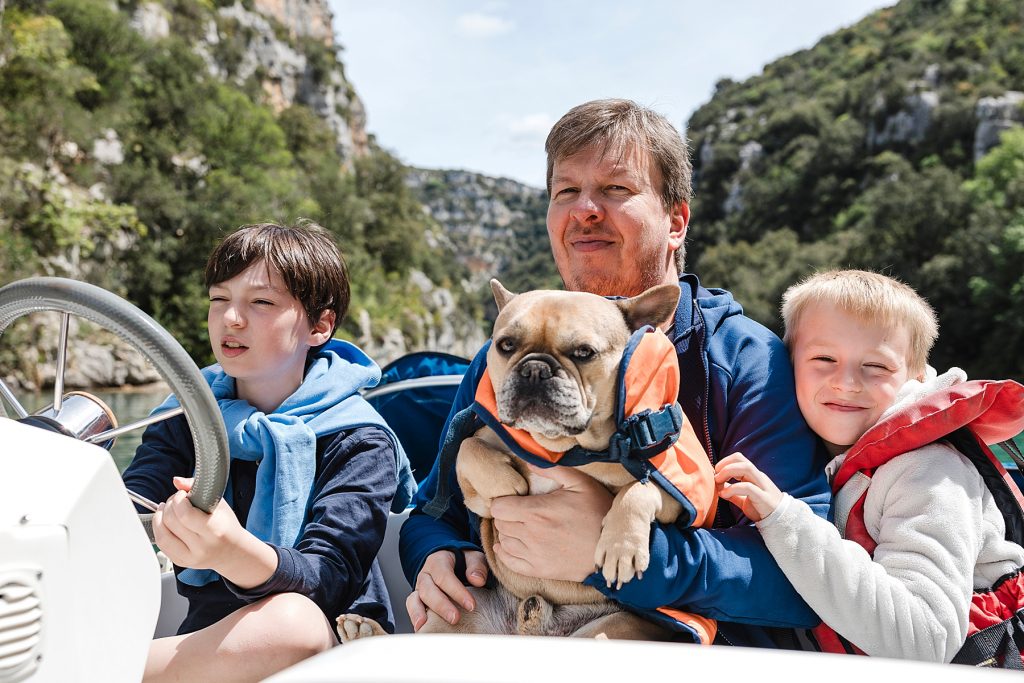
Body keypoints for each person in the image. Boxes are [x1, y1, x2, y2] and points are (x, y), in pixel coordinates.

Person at [398, 98, 832, 646]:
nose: (585, 210)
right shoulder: (508, 354)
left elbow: (805, 579)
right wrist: (436, 558)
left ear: (676, 221)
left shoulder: (747, 363)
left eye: (616, 190)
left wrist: (615, 554)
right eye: (566, 192)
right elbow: (431, 510)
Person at [122, 221, 416, 682]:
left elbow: (329, 578)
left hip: (330, 646)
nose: (230, 319)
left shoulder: (360, 439)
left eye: (260, 303)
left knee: (290, 624)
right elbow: (127, 504)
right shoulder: (187, 416)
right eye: (219, 299)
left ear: (320, 326)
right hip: (206, 645)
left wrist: (230, 550)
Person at [714, 269, 1024, 662]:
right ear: (788, 363)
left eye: (876, 367)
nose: (846, 382)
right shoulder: (817, 456)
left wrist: (783, 519)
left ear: (914, 374)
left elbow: (925, 642)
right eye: (824, 358)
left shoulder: (929, 472)